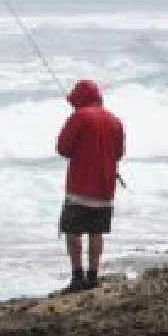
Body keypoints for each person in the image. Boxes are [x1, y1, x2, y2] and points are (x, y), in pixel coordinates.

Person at [55, 78, 125, 293]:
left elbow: (62, 148)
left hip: (80, 186)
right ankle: (93, 276)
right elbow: (119, 153)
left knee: (72, 232)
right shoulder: (115, 120)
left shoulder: (79, 117)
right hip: (105, 187)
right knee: (96, 232)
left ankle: (77, 277)